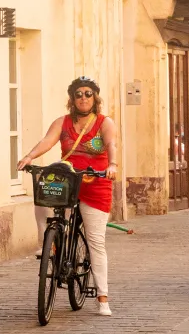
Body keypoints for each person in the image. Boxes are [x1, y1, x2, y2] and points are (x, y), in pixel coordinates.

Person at [17, 76, 117, 316]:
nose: (83, 98)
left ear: (95, 97)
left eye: (88, 94)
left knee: (96, 242)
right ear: (72, 99)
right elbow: (47, 141)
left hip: (96, 183)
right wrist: (30, 157)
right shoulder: (62, 122)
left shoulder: (104, 122)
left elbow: (111, 143)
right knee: (43, 197)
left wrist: (112, 164)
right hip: (69, 180)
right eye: (78, 94)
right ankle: (47, 244)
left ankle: (102, 297)